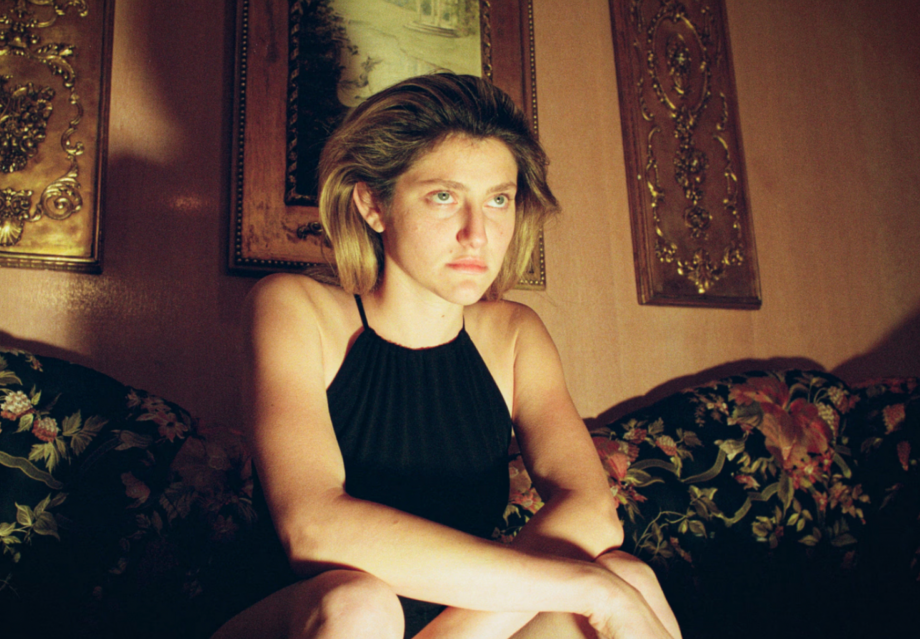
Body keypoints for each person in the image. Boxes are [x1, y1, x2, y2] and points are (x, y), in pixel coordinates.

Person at [213, 73, 682, 639]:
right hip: (310, 615)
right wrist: (587, 588)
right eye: (443, 196)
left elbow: (592, 511)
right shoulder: (294, 307)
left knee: (629, 575)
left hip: (463, 624)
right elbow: (314, 528)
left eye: (498, 200)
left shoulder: (513, 335)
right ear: (372, 204)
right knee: (362, 605)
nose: (477, 233)